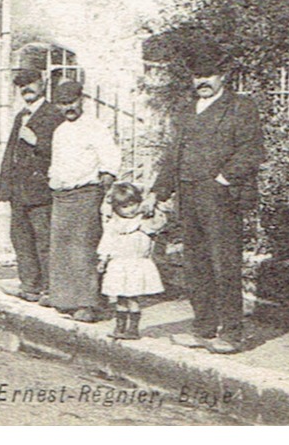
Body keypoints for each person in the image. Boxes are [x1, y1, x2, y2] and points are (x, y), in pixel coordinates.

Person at [151, 41, 263, 354]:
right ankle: (203, 328)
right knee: (195, 264)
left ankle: (232, 333)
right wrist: (159, 191)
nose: (202, 81)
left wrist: (223, 179)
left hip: (220, 196)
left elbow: (251, 151)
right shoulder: (187, 110)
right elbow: (174, 153)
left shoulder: (241, 106)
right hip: (188, 195)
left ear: (223, 76)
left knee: (224, 264)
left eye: (209, 75)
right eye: (197, 75)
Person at [45, 80, 118, 322]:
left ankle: (88, 304)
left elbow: (110, 163)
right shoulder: (60, 130)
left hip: (86, 194)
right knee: (61, 249)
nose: (69, 107)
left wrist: (101, 193)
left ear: (81, 100)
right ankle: (64, 299)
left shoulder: (96, 127)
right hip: (61, 196)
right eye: (63, 104)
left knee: (84, 250)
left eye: (72, 102)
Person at [0, 67, 63, 302]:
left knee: (44, 240)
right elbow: (10, 153)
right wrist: (4, 188)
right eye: (21, 85)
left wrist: (38, 142)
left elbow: (63, 150)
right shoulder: (21, 116)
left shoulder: (54, 114)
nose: (26, 88)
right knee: (21, 239)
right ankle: (29, 285)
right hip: (18, 190)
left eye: (30, 83)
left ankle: (49, 288)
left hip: (40, 188)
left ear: (42, 83)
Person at [99, 181, 165, 340]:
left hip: (135, 263)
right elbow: (107, 242)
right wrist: (103, 259)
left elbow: (159, 223)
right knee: (120, 298)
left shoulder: (143, 222)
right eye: (124, 207)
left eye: (133, 204)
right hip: (118, 264)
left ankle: (133, 329)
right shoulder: (113, 224)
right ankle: (119, 327)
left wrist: (151, 207)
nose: (130, 210)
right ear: (116, 207)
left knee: (133, 298)